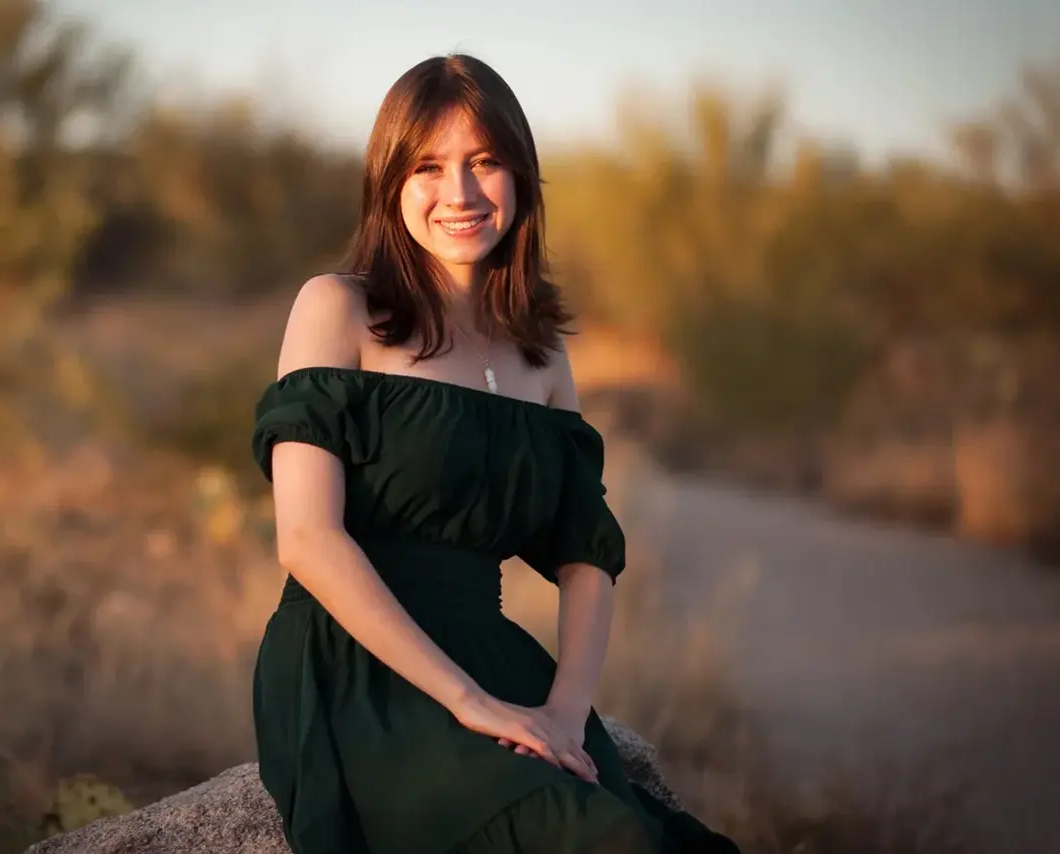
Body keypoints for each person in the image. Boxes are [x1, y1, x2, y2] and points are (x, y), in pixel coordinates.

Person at [249, 53, 739, 854]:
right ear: (389, 183)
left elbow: (587, 552)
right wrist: (467, 701)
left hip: (491, 651)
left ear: (520, 176)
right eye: (430, 167)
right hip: (358, 667)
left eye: (485, 163)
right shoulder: (338, 309)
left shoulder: (541, 354)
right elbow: (306, 538)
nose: (462, 194)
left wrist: (566, 709)